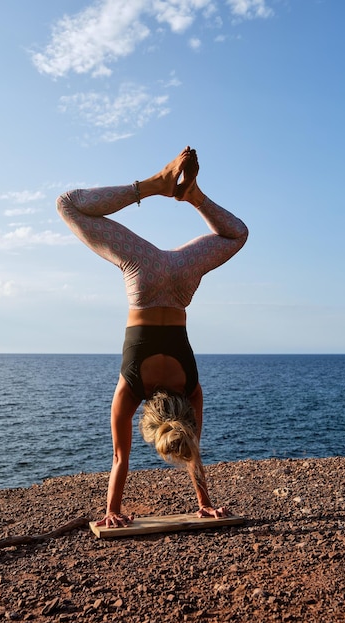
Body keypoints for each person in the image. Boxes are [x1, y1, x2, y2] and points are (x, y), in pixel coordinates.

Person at [56, 146, 248, 528]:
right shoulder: (131, 387)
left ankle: (187, 194)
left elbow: (194, 452)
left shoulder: (190, 388)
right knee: (68, 204)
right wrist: (111, 510)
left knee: (236, 235)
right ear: (150, 419)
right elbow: (119, 460)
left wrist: (204, 502)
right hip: (143, 274)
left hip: (178, 278)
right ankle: (161, 186)